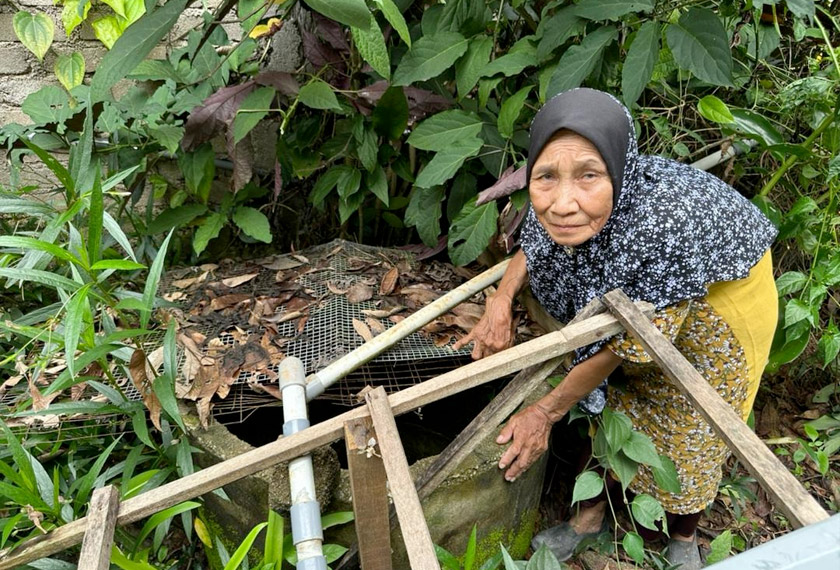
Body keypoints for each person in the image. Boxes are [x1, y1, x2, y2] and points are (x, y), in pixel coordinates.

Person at [452, 88, 778, 569]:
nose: (563, 203)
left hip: (719, 303)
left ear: (618, 172)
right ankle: (587, 521)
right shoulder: (563, 198)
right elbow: (535, 241)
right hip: (642, 293)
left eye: (589, 176)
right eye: (546, 177)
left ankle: (683, 537)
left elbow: (622, 348)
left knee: (693, 422)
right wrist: (500, 301)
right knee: (605, 409)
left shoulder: (665, 226)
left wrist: (544, 412)